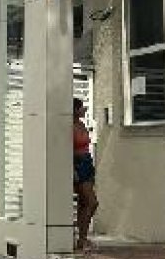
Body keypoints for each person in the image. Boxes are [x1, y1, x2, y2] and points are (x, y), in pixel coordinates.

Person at [73, 98, 99, 251]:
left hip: (87, 162)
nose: (84, 110)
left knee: (84, 203)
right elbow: (67, 149)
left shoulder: (81, 124)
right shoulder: (70, 126)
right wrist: (73, 170)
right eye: (81, 107)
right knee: (92, 202)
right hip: (78, 164)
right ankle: (82, 238)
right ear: (75, 110)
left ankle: (82, 240)